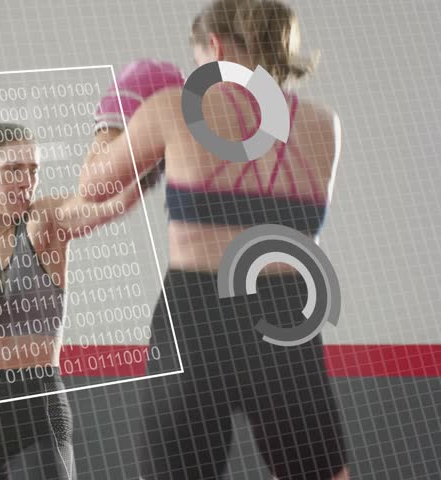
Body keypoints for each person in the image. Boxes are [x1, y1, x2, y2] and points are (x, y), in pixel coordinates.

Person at [79, 0, 350, 478]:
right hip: (288, 311)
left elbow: (95, 187)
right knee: (322, 474)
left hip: (197, 312)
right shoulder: (324, 125)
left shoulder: (175, 108)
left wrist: (112, 120)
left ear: (217, 47)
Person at [0, 122, 143, 479]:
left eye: (33, 171)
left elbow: (107, 201)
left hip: (34, 416)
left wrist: (113, 133)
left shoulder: (43, 224)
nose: (26, 181)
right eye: (13, 170)